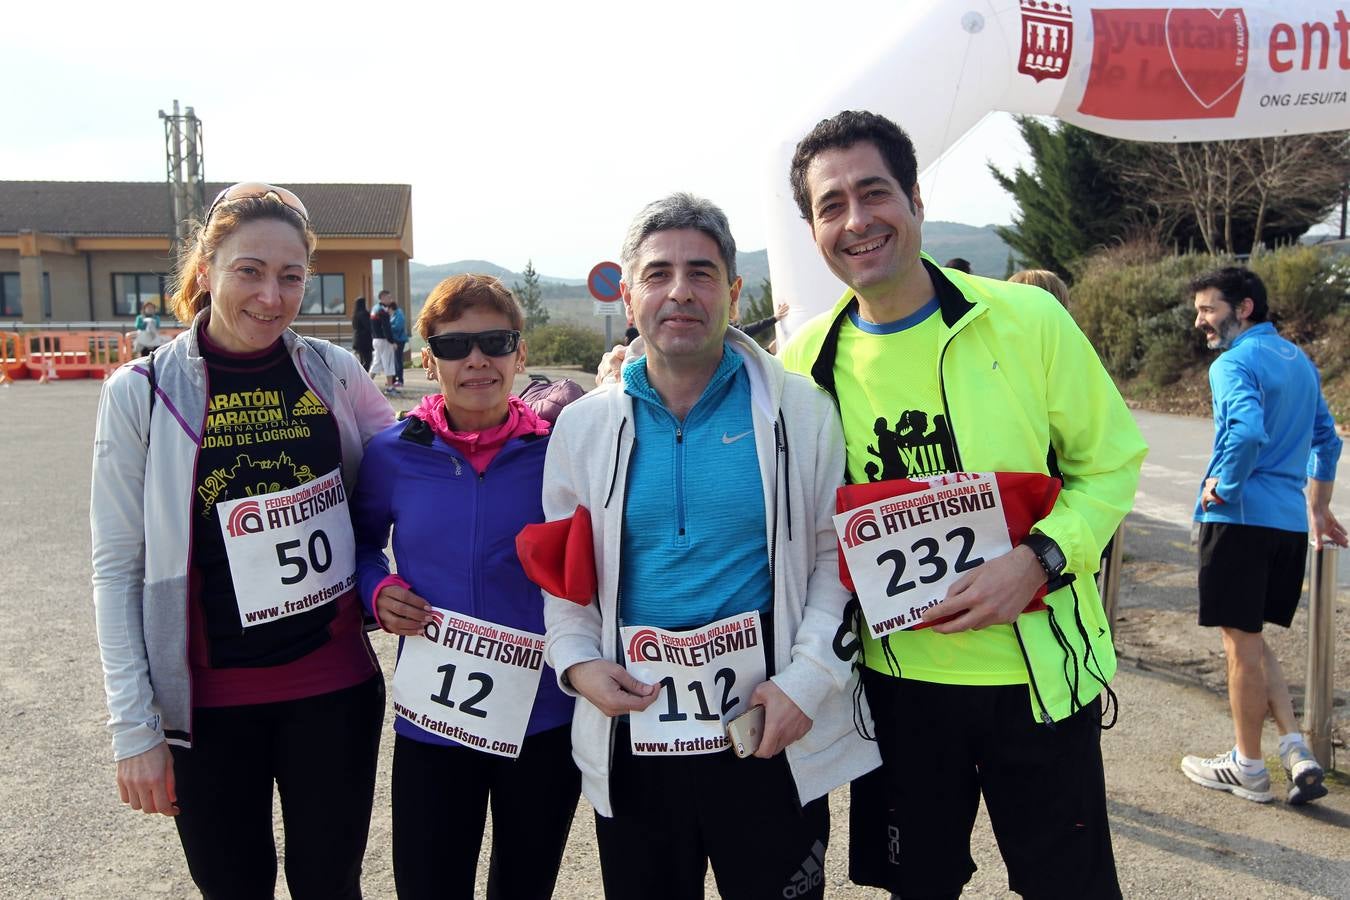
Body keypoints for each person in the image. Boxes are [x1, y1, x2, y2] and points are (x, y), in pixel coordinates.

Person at [780, 111, 1146, 898]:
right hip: (900, 687)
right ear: (812, 228)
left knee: (1068, 887)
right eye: (830, 205)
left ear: (914, 197)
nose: (857, 220)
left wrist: (1042, 559)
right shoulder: (806, 359)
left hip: (1039, 678)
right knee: (919, 886)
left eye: (873, 192)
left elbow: (1111, 466)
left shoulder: (1028, 320)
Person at [542, 193, 879, 900]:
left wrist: (807, 683)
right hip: (636, 730)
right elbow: (566, 578)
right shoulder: (582, 427)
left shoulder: (800, 409)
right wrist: (576, 665)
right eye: (658, 274)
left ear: (732, 291)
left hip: (766, 724)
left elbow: (833, 560)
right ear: (630, 296)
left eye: (701, 273)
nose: (680, 292)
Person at [90, 182, 395, 898]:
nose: (272, 295)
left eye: (291, 276)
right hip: (209, 705)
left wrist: (533, 409)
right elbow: (116, 567)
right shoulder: (141, 391)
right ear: (205, 272)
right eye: (249, 271)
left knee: (331, 885)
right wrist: (133, 729)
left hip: (335, 688)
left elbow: (416, 456)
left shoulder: (332, 371)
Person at [351, 274, 579, 899]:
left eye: (495, 342)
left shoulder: (562, 450)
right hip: (434, 723)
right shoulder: (392, 454)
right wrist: (376, 590)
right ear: (429, 361)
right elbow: (361, 544)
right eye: (454, 347)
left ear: (520, 354)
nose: (476, 359)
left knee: (525, 888)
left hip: (543, 719)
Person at [1181, 266, 1346, 805]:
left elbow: (1247, 431)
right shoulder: (1299, 361)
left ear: (1244, 307)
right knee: (1249, 638)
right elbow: (1328, 438)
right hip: (1286, 527)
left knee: (1239, 647)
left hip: (1239, 520)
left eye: (1208, 309)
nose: (1200, 320)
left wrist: (1223, 486)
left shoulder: (1234, 362)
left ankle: (1247, 767)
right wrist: (1317, 508)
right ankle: (1294, 746)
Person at [370, 296, 397, 394]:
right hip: (384, 341)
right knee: (388, 363)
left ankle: (366, 385)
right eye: (393, 311)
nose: (392, 313)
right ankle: (390, 387)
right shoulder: (384, 314)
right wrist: (392, 342)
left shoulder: (375, 310)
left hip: (375, 340)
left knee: (376, 363)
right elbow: (387, 329)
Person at [384, 291, 408, 387]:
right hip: (395, 340)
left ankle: (400, 380)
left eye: (388, 309)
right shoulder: (394, 314)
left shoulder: (399, 314)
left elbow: (398, 326)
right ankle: (393, 380)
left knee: (398, 360)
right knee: (394, 361)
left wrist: (388, 327)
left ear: (391, 308)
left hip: (399, 340)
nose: (387, 312)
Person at [351, 295, 373, 370]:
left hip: (357, 340)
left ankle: (360, 377)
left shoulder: (355, 315)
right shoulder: (363, 314)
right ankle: (362, 377)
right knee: (368, 360)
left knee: (362, 360)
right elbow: (369, 326)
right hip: (365, 340)